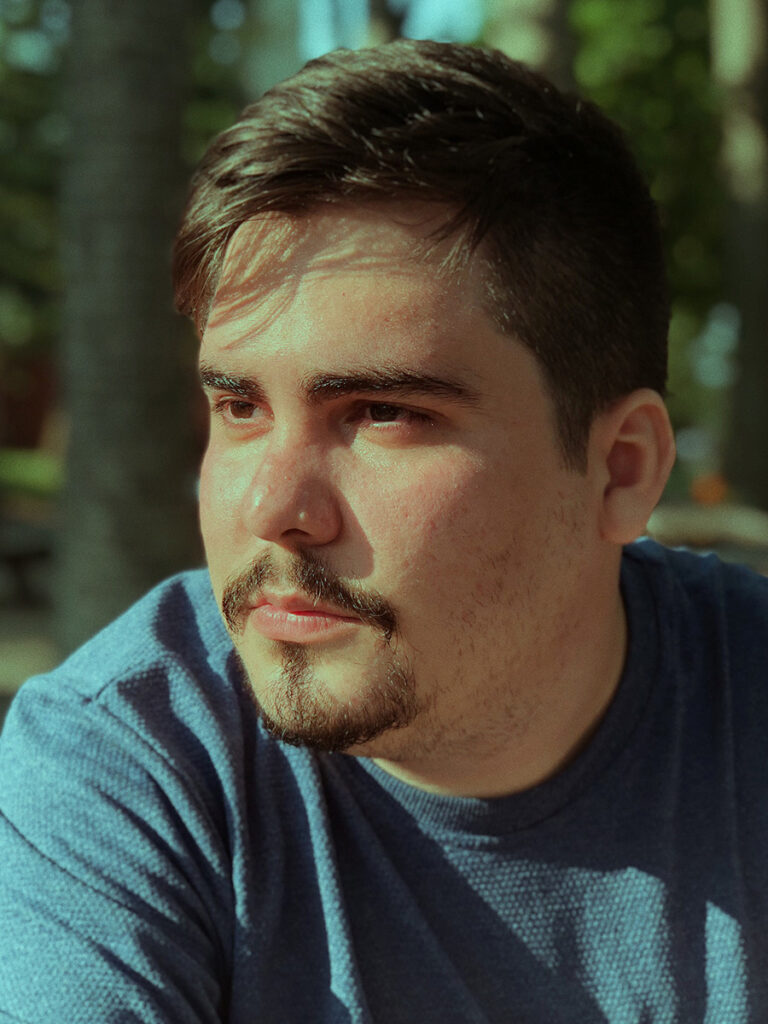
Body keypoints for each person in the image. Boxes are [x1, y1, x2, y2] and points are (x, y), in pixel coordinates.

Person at [1, 37, 766, 1024]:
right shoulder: (121, 761)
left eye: (380, 414)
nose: (273, 506)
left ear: (620, 468)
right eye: (238, 406)